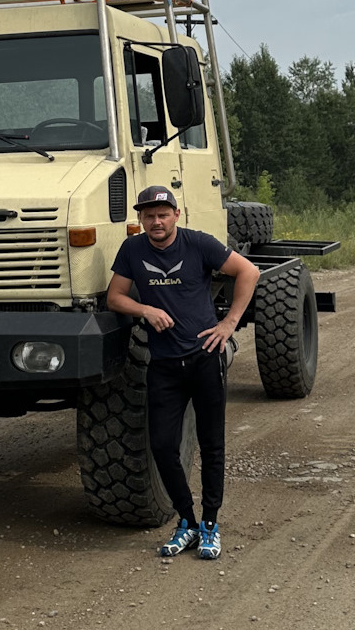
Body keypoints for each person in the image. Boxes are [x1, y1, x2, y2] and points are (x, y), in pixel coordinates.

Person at [107, 185, 260, 559]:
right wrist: (145, 310)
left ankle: (210, 524)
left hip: (204, 358)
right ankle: (187, 522)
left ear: (176, 215)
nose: (156, 222)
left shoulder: (198, 244)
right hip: (163, 365)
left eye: (163, 214)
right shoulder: (133, 250)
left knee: (212, 446)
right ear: (140, 219)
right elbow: (114, 297)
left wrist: (229, 323)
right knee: (161, 445)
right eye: (148, 215)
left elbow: (249, 272)